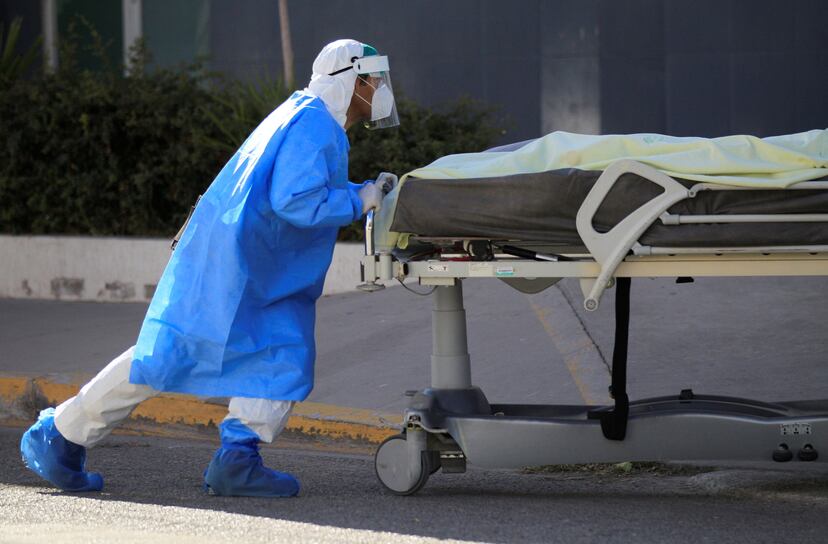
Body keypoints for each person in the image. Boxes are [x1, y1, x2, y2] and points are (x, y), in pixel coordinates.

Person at [20, 39, 399, 498]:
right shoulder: (316, 125)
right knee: (218, 354)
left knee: (241, 354)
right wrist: (357, 201)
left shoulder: (304, 113)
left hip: (241, 262)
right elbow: (294, 199)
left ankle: (77, 438)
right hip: (247, 267)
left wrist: (358, 192)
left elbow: (296, 187)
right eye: (372, 78)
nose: (379, 88)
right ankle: (66, 436)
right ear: (351, 80)